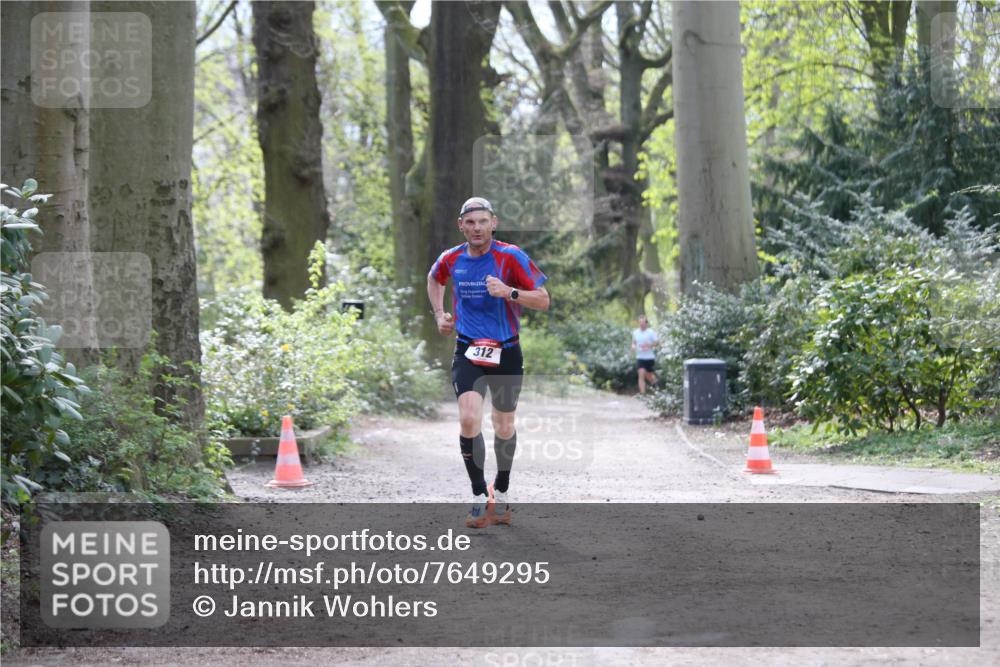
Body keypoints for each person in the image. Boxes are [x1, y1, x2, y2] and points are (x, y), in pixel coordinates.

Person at [427, 197, 550, 528]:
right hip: (468, 349)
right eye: (470, 222)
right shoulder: (451, 258)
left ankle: (503, 493)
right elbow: (434, 278)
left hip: (507, 350)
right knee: (468, 418)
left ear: (493, 223)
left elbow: (543, 299)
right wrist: (439, 314)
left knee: (504, 425)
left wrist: (509, 292)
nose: (477, 227)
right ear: (461, 225)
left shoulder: (511, 257)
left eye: (482, 221)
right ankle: (480, 496)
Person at [631, 315, 658, 395]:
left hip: (649, 358)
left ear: (646, 324)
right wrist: (633, 347)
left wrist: (649, 345)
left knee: (649, 375)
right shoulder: (635, 332)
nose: (641, 324)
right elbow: (634, 343)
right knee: (641, 373)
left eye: (643, 323)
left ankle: (656, 386)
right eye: (640, 323)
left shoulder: (651, 332)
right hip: (640, 357)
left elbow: (657, 342)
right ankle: (643, 394)